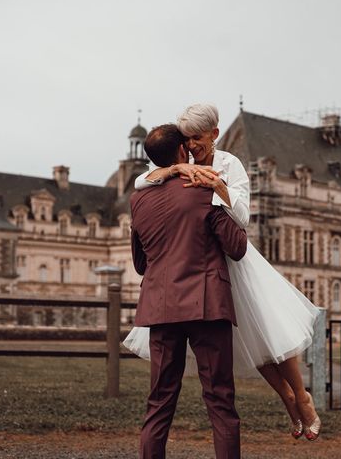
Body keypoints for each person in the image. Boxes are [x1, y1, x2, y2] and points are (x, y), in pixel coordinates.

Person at [124, 105, 321, 441]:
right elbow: (147, 176)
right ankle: (287, 397)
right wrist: (170, 172)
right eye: (186, 140)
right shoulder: (178, 161)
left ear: (214, 135)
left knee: (271, 331)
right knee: (251, 340)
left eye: (197, 139)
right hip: (200, 262)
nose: (191, 147)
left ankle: (302, 397)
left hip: (231, 257)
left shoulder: (229, 164)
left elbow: (241, 217)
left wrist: (218, 188)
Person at [130, 124, 248, 459]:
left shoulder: (138, 200)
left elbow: (140, 263)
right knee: (220, 400)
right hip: (206, 306)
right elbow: (237, 247)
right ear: (183, 151)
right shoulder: (202, 187)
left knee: (159, 402)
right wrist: (223, 197)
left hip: (161, 308)